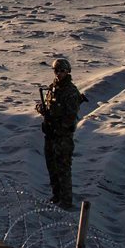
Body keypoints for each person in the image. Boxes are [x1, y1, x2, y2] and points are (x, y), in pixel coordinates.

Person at [37, 57, 85, 209]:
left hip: (63, 137)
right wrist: (42, 110)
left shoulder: (71, 92)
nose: (59, 74)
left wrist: (57, 126)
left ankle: (66, 201)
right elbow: (48, 107)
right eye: (56, 71)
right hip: (51, 135)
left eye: (62, 71)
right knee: (52, 167)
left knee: (63, 169)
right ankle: (56, 196)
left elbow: (70, 118)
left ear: (68, 71)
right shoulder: (52, 88)